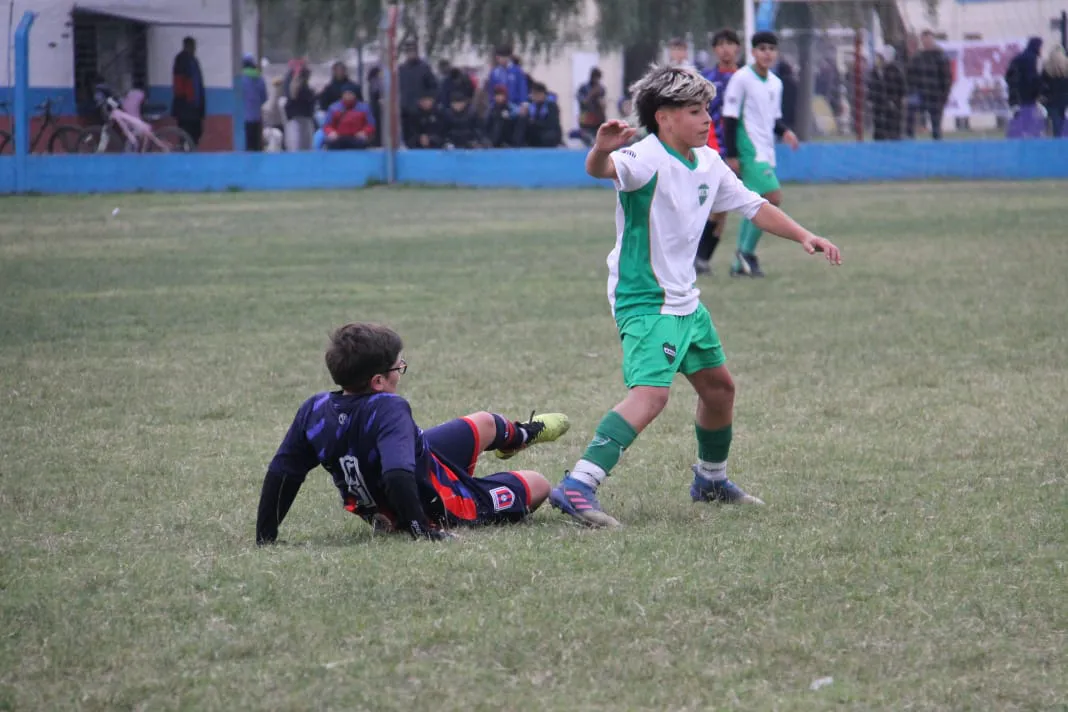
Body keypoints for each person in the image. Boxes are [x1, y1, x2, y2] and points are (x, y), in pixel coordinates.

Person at [548, 65, 842, 528]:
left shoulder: (707, 160)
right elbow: (602, 169)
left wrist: (805, 235)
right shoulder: (644, 157)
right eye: (694, 111)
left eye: (707, 109)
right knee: (651, 395)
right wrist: (602, 148)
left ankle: (710, 480)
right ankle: (579, 484)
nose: (707, 119)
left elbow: (753, 204)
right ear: (664, 117)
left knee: (719, 388)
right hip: (646, 299)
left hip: (685, 299)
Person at [256, 323, 571, 544]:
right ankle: (400, 520)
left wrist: (265, 537)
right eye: (398, 367)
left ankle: (522, 436)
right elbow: (396, 474)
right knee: (538, 483)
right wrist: (423, 529)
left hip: (420, 463)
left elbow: (283, 471)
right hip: (437, 501)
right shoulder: (389, 408)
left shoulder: (315, 408)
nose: (401, 370)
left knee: (485, 422)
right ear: (379, 380)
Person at [722, 31, 800, 278]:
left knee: (755, 203)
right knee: (772, 197)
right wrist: (732, 154)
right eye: (762, 48)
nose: (767, 53)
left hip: (767, 151)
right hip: (749, 150)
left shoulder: (776, 83)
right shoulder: (741, 78)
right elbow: (730, 118)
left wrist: (785, 131)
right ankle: (746, 253)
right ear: (753, 52)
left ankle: (740, 262)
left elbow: (774, 117)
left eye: (771, 49)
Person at [696, 28, 741, 276]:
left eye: (730, 44)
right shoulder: (707, 80)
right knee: (713, 205)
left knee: (722, 208)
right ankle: (699, 257)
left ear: (738, 49)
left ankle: (702, 259)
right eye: (720, 44)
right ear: (715, 49)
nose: (725, 49)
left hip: (740, 150)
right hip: (713, 149)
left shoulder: (745, 78)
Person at [171, 37, 205, 146]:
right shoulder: (182, 60)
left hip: (194, 107)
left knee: (194, 134)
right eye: (192, 46)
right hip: (187, 107)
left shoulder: (192, 60)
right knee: (186, 135)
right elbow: (180, 85)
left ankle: (191, 154)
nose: (194, 49)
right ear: (187, 45)